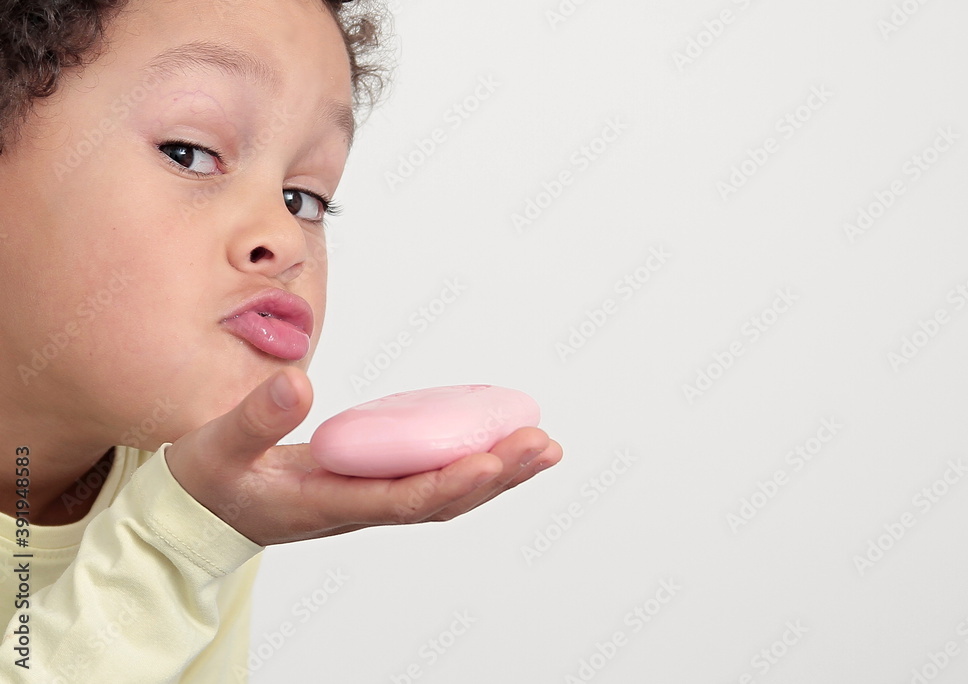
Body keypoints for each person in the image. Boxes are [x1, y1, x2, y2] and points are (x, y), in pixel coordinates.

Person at [0, 0, 562, 680]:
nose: (288, 238)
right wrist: (177, 549)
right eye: (191, 153)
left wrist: (194, 529)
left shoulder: (192, 487)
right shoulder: (182, 522)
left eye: (306, 198)